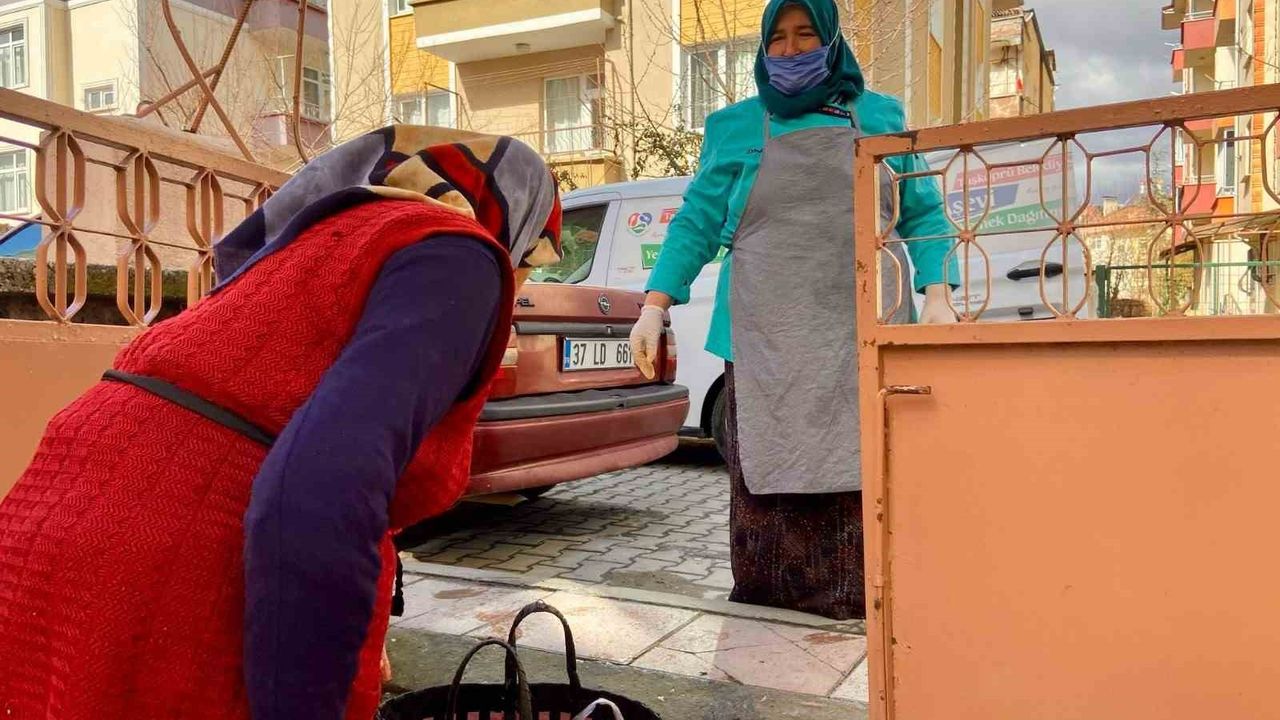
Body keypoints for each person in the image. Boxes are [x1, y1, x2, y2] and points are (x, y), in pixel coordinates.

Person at [0, 126, 562, 720]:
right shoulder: (458, 255)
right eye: (534, 258)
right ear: (512, 218)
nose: (523, 280)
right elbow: (318, 491)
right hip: (164, 561)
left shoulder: (315, 241)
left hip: (44, 526)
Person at [629, 0, 958, 621]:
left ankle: (866, 613)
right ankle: (767, 614)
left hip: (864, 331)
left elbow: (922, 212)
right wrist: (655, 304)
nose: (790, 49)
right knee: (767, 475)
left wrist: (937, 292)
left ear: (831, 41)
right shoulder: (733, 126)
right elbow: (696, 223)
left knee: (866, 472)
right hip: (765, 339)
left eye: (806, 34)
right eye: (777, 38)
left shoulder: (880, 116)